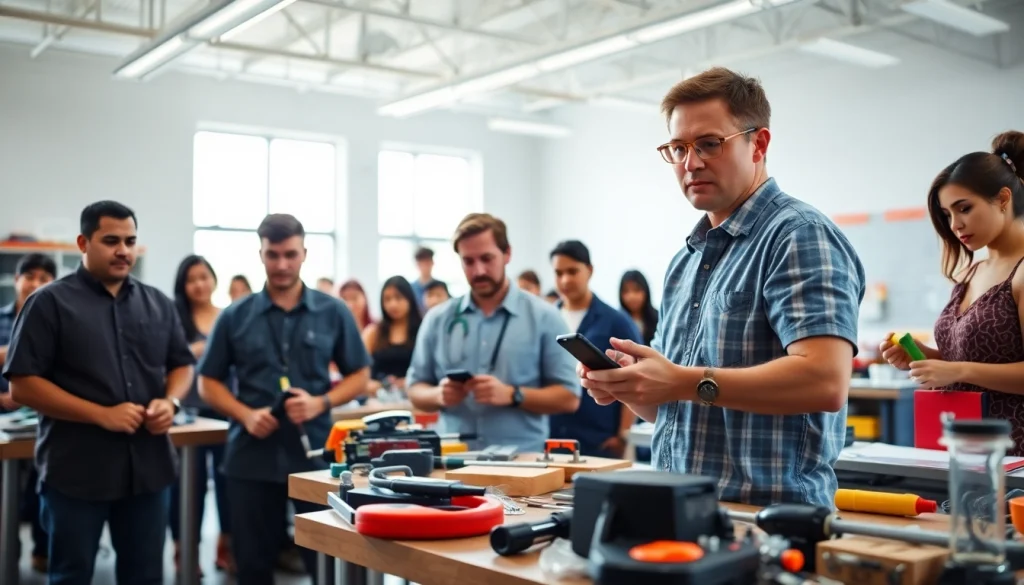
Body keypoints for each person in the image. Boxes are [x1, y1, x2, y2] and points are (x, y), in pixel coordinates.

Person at [579, 67, 865, 507]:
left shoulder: (798, 235)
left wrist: (682, 381)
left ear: (759, 143)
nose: (691, 163)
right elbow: (674, 406)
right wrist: (631, 386)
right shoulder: (686, 261)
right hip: (679, 512)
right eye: (678, 148)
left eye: (709, 144)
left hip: (770, 521)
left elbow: (824, 381)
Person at [3, 200, 196, 585]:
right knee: (71, 575)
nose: (124, 250)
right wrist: (100, 413)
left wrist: (170, 401)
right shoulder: (49, 303)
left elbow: (181, 364)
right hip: (76, 472)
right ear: (83, 242)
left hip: (148, 469)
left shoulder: (157, 303)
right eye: (111, 240)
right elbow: (22, 384)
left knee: (144, 576)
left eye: (130, 240)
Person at [197, 213, 370, 585]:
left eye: (290, 254)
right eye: (272, 255)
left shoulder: (333, 311)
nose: (281, 264)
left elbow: (361, 375)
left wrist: (320, 402)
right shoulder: (235, 316)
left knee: (324, 563)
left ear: (304, 253)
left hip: (316, 458)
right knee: (253, 567)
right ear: (260, 254)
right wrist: (244, 414)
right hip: (251, 456)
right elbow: (206, 382)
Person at [880, 130, 1024, 452]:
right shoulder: (971, 273)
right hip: (965, 450)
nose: (955, 224)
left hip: (1015, 457)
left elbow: (969, 369)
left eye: (964, 208)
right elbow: (980, 361)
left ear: (1003, 199)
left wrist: (956, 369)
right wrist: (926, 358)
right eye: (947, 214)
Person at [406, 213, 580, 451]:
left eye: (487, 258)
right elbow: (415, 389)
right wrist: (438, 395)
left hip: (523, 465)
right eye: (468, 261)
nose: (478, 271)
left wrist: (513, 395)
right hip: (453, 462)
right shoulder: (437, 320)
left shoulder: (545, 317)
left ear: (507, 253)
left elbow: (570, 397)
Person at [168, 255, 234, 574]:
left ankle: (226, 544)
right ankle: (185, 549)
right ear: (183, 285)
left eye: (204, 277)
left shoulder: (226, 316)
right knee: (186, 487)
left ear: (214, 279)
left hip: (224, 410)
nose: (199, 284)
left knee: (227, 483)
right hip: (186, 416)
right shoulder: (174, 319)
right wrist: (192, 351)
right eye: (192, 279)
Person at [547, 240, 642, 458]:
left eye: (572, 271)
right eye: (558, 273)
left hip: (599, 440)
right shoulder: (547, 319)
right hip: (552, 438)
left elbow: (636, 375)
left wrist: (622, 435)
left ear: (589, 270)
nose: (565, 280)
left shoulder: (616, 321)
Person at [0, 252, 56, 573]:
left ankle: (42, 550)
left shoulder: (56, 322)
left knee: (42, 487)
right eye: (30, 276)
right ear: (17, 279)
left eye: (44, 278)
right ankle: (8, 552)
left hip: (40, 419)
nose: (36, 284)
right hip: (2, 419)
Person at [362, 276, 421, 397]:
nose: (393, 304)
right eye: (387, 299)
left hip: (414, 398)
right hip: (377, 400)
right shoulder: (373, 332)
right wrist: (380, 385)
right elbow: (359, 375)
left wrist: (408, 383)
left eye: (398, 298)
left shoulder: (422, 331)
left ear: (409, 299)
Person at [619, 270, 659, 346]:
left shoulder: (659, 319)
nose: (631, 296)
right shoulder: (617, 321)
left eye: (636, 290)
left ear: (646, 291)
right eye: (626, 291)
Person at [410, 246, 435, 310]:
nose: (425, 266)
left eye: (427, 262)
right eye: (422, 263)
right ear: (417, 265)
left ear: (432, 263)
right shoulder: (410, 288)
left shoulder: (440, 287)